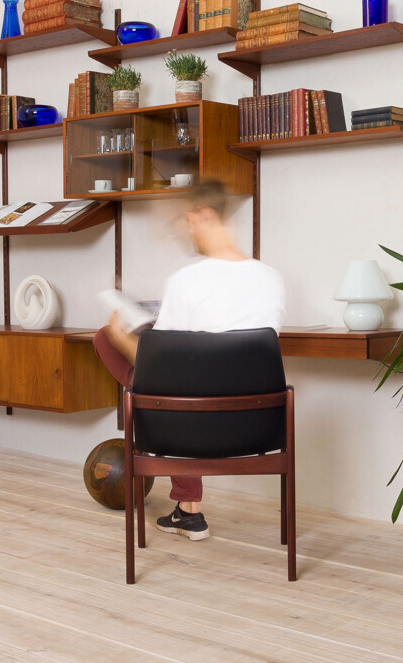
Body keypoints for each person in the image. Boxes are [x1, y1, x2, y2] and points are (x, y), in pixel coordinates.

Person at [94, 179, 285, 541]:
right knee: (185, 380)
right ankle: (186, 509)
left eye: (188, 220)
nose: (187, 230)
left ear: (204, 215)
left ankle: (189, 508)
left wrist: (119, 333)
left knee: (118, 351)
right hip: (258, 425)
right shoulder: (270, 278)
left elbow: (160, 363)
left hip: (191, 426)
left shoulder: (187, 280)